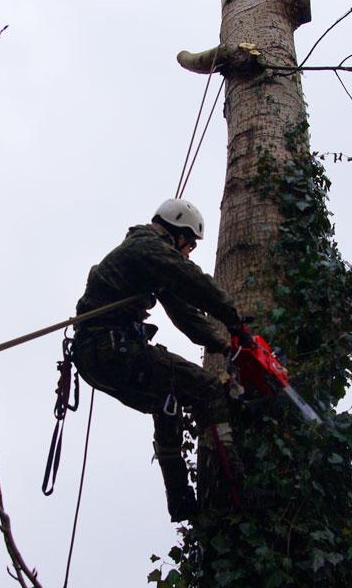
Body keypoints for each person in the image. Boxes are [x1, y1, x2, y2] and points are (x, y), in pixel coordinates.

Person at [73, 198, 245, 522]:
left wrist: (225, 344)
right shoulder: (147, 248)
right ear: (178, 233)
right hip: (113, 349)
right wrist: (235, 320)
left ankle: (182, 504)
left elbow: (185, 315)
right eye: (190, 243)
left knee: (166, 404)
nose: (190, 251)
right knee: (208, 388)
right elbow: (191, 280)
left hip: (97, 359)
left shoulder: (147, 262)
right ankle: (232, 477)